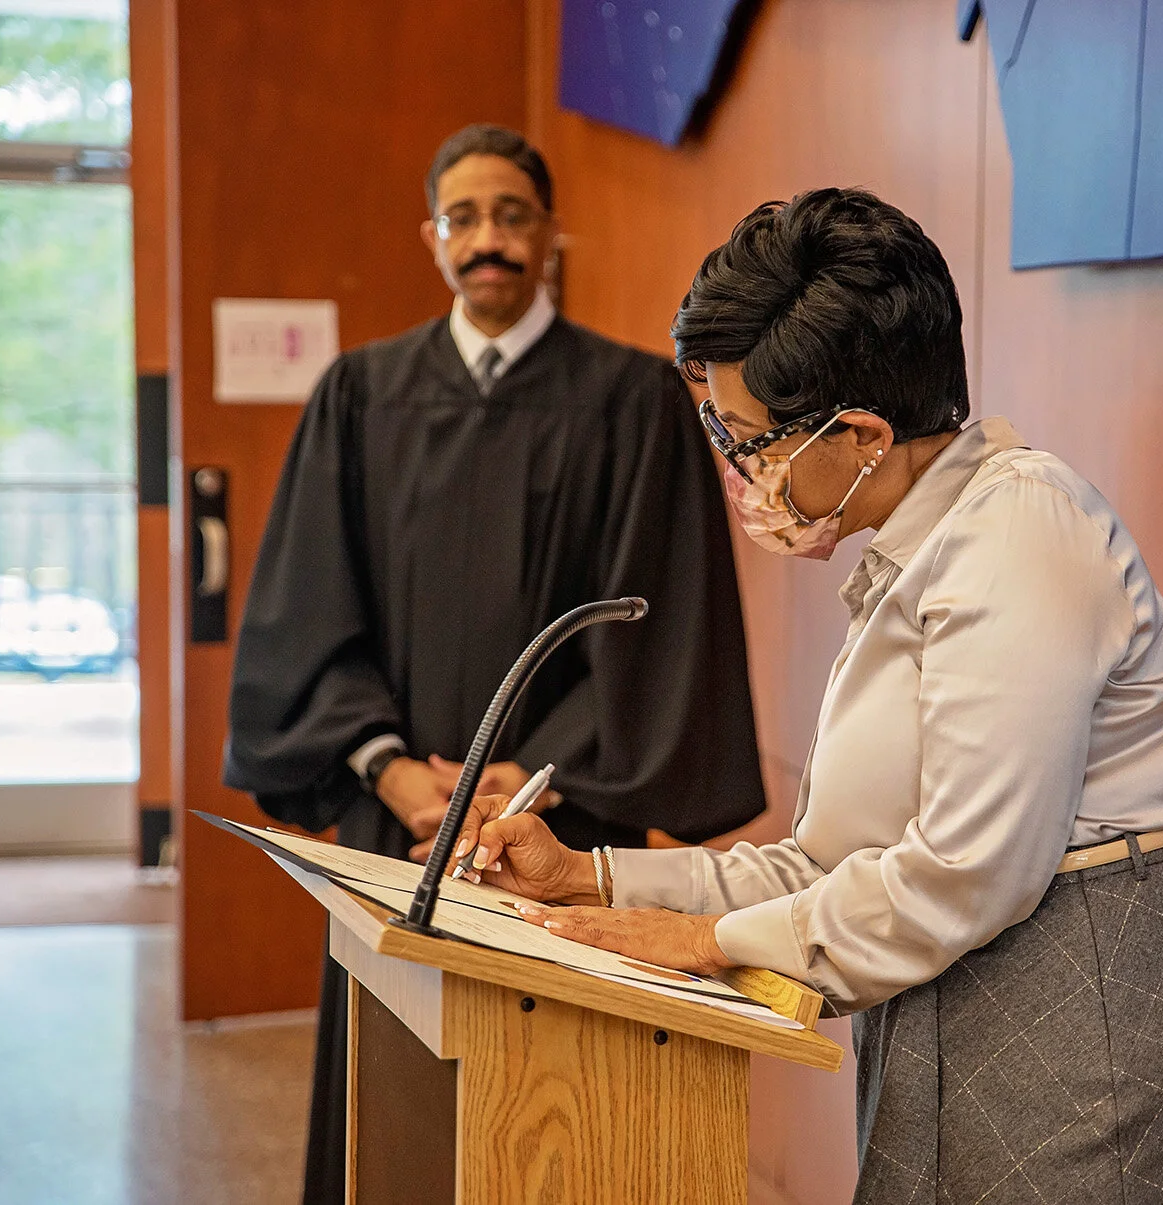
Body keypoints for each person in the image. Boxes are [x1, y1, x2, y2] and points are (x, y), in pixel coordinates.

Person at [447, 188, 1163, 1203]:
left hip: (1104, 1042)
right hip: (981, 1021)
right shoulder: (916, 550)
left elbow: (962, 874)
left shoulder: (1016, 535)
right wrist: (589, 882)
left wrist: (697, 940)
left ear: (859, 434)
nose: (737, 474)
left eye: (750, 443)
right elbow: (826, 866)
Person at [220, 124, 766, 1204]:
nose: (488, 240)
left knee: (555, 1124)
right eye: (462, 218)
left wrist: (520, 785)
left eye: (512, 216)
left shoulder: (631, 401)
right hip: (401, 827)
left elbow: (652, 630)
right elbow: (308, 608)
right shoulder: (361, 395)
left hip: (560, 825)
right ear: (430, 236)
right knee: (390, 1110)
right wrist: (391, 769)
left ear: (551, 234)